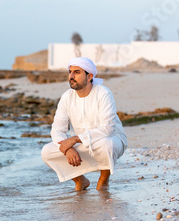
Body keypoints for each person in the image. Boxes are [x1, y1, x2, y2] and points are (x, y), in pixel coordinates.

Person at [41, 57, 127, 191]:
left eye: (77, 72)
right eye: (70, 72)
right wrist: (68, 148)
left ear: (89, 76)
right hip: (81, 144)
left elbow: (108, 128)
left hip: (110, 140)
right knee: (47, 152)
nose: (71, 76)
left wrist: (74, 139)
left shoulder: (103, 93)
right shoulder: (66, 97)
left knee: (106, 145)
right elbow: (57, 130)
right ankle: (80, 180)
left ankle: (103, 181)